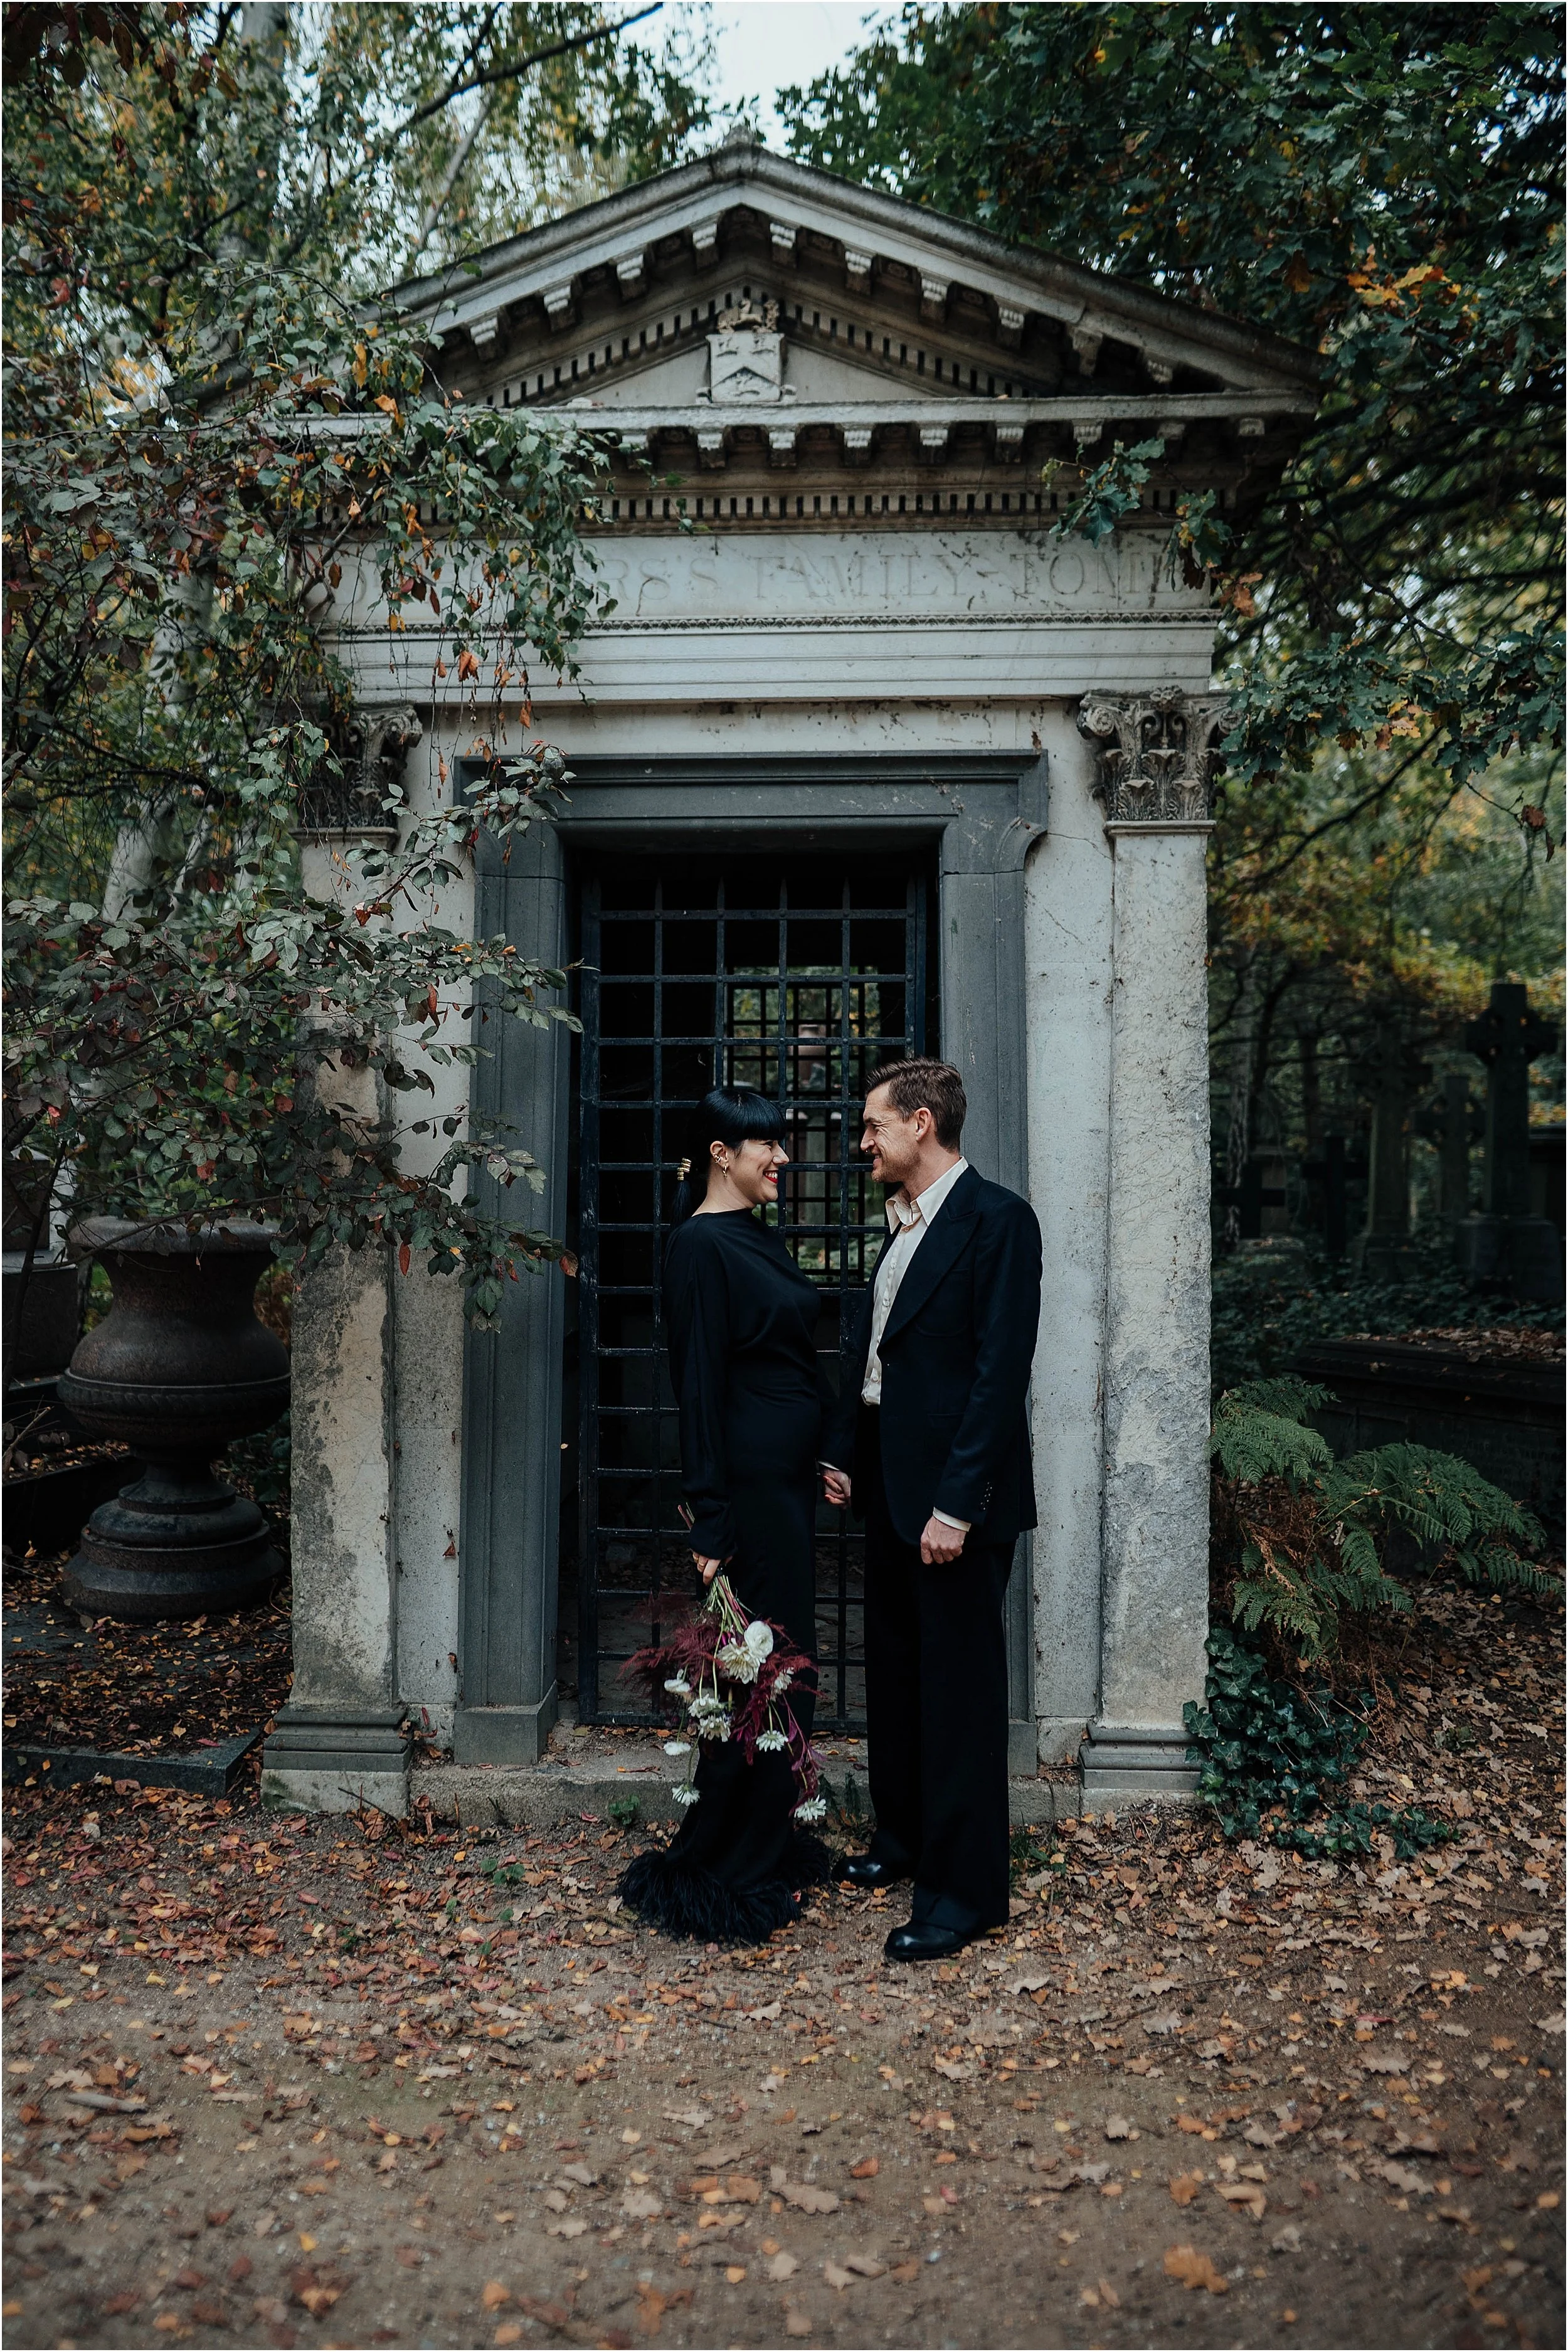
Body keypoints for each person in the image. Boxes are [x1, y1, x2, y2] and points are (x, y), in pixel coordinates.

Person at [822, 1058, 1042, 1963]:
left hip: (956, 1506)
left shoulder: (999, 1221)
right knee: (901, 1681)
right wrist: (847, 1449)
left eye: (873, 1126)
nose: (862, 1142)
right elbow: (882, 1354)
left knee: (958, 1700)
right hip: (889, 1487)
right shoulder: (901, 1222)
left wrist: (957, 1505)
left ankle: (965, 1896)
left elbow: (997, 1379)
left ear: (921, 1123)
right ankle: (905, 1842)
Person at [617, 1085, 835, 1941]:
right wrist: (710, 1518)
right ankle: (729, 1863)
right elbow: (699, 1385)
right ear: (719, 1152)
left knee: (780, 1668)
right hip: (745, 1490)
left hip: (783, 1484)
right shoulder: (700, 1245)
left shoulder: (752, 1233)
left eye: (780, 1144)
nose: (781, 1156)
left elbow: (781, 1354)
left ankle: (766, 1839)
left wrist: (818, 1450)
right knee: (757, 1674)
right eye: (764, 1145)